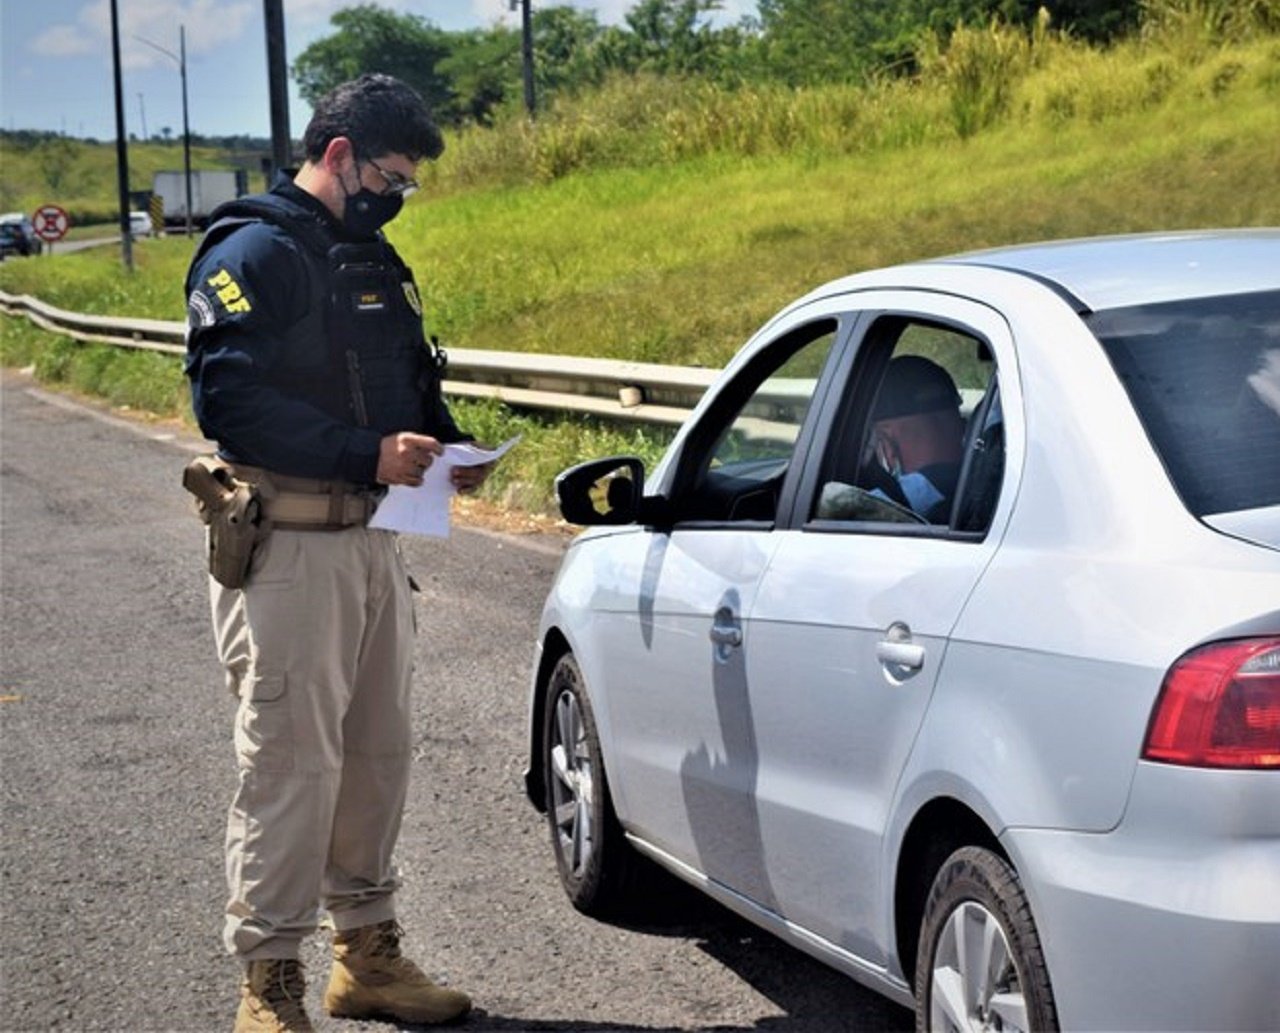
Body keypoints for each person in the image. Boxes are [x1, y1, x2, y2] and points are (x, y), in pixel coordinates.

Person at [183, 74, 487, 1033]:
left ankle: (368, 958)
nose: (396, 195)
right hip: (290, 544)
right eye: (390, 176)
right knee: (289, 765)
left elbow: (401, 376)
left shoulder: (372, 255)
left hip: (375, 539)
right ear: (342, 155)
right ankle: (267, 981)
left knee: (375, 756)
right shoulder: (253, 251)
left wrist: (444, 441)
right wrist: (366, 453)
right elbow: (228, 403)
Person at [867, 355, 965, 522]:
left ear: (887, 447)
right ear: (962, 425)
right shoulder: (987, 479)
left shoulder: (899, 501)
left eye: (876, 443)